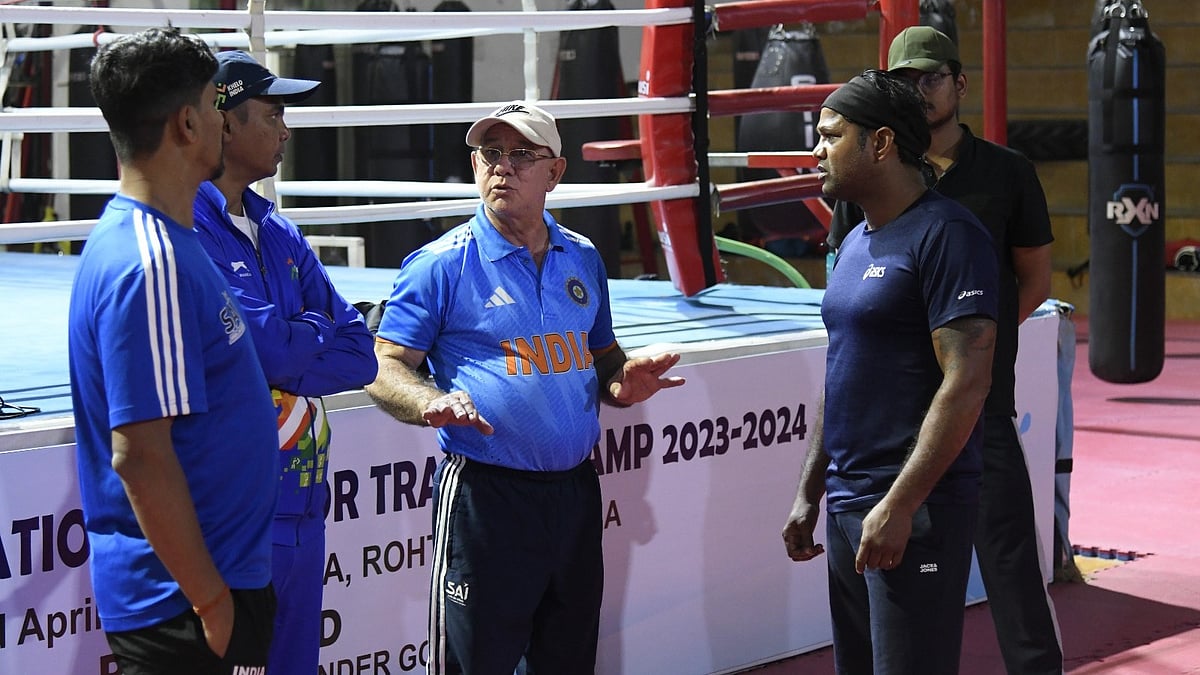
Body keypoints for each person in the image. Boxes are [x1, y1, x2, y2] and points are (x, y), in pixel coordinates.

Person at [365, 101, 686, 674]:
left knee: (566, 659)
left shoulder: (582, 257)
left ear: (554, 173)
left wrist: (621, 380)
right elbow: (383, 365)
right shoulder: (440, 264)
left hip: (575, 495)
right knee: (475, 664)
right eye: (490, 154)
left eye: (520, 156)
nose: (502, 168)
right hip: (487, 498)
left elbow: (604, 355)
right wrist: (428, 402)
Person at [828, 26, 1062, 673]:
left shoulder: (1004, 173)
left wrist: (967, 350)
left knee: (1009, 560)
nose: (918, 89)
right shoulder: (871, 188)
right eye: (904, 80)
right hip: (894, 427)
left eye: (930, 77)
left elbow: (1036, 277)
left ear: (959, 83)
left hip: (975, 406)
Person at [68, 28, 278, 674]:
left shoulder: (162, 240)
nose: (224, 122)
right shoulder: (150, 261)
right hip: (186, 604)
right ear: (188, 123)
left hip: (200, 592)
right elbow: (141, 455)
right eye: (218, 105)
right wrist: (213, 603)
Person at [782, 70, 998, 674]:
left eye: (831, 136)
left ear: (879, 143)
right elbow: (841, 371)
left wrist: (901, 504)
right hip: (850, 507)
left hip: (914, 510)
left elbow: (967, 381)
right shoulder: (853, 242)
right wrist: (809, 490)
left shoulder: (948, 235)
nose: (816, 151)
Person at [192, 50, 378, 675]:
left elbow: (360, 356)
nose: (286, 130)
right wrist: (303, 334)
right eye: (272, 115)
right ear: (225, 124)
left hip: (302, 507)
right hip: (236, 514)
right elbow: (266, 348)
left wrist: (292, 340)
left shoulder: (277, 228)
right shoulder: (186, 226)